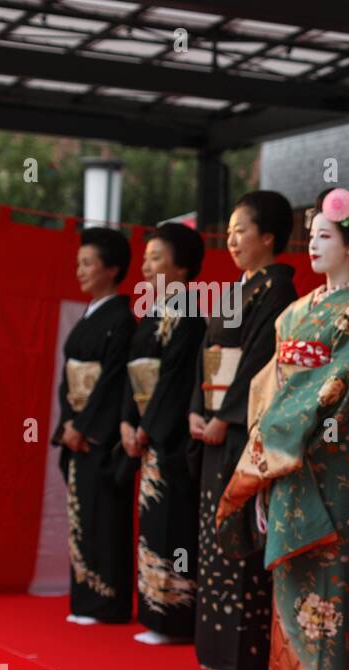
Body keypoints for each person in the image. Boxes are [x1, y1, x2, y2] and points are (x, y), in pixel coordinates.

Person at [216, 187, 349, 670]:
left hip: (327, 452)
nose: (313, 246)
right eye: (310, 237)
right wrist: (266, 436)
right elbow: (270, 382)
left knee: (329, 561)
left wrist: (281, 435)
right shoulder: (292, 314)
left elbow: (342, 382)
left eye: (325, 236)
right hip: (286, 449)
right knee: (289, 561)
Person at [190, 191, 297, 670]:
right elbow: (206, 354)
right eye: (229, 231)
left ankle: (243, 649)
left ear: (269, 237)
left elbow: (260, 363)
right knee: (214, 527)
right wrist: (198, 408)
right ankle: (213, 643)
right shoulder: (237, 288)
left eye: (242, 230)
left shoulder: (276, 291)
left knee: (238, 528)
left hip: (240, 428)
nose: (232, 239)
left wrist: (226, 415)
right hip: (213, 420)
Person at [121, 222, 206, 645]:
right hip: (147, 432)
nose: (146, 267)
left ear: (183, 265)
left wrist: (146, 428)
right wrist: (126, 420)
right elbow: (131, 373)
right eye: (146, 259)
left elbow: (176, 380)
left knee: (172, 520)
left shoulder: (190, 313)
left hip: (170, 438)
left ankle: (173, 615)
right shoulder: (152, 314)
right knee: (152, 522)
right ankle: (153, 610)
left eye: (157, 258)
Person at [55, 227, 136, 625]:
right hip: (78, 429)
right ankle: (84, 598)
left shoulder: (122, 318)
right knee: (80, 513)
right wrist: (68, 422)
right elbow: (68, 378)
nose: (81, 271)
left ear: (113, 269)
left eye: (88, 263)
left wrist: (86, 427)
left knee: (104, 514)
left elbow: (113, 379)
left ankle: (107, 601)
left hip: (99, 437)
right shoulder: (90, 317)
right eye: (79, 264)